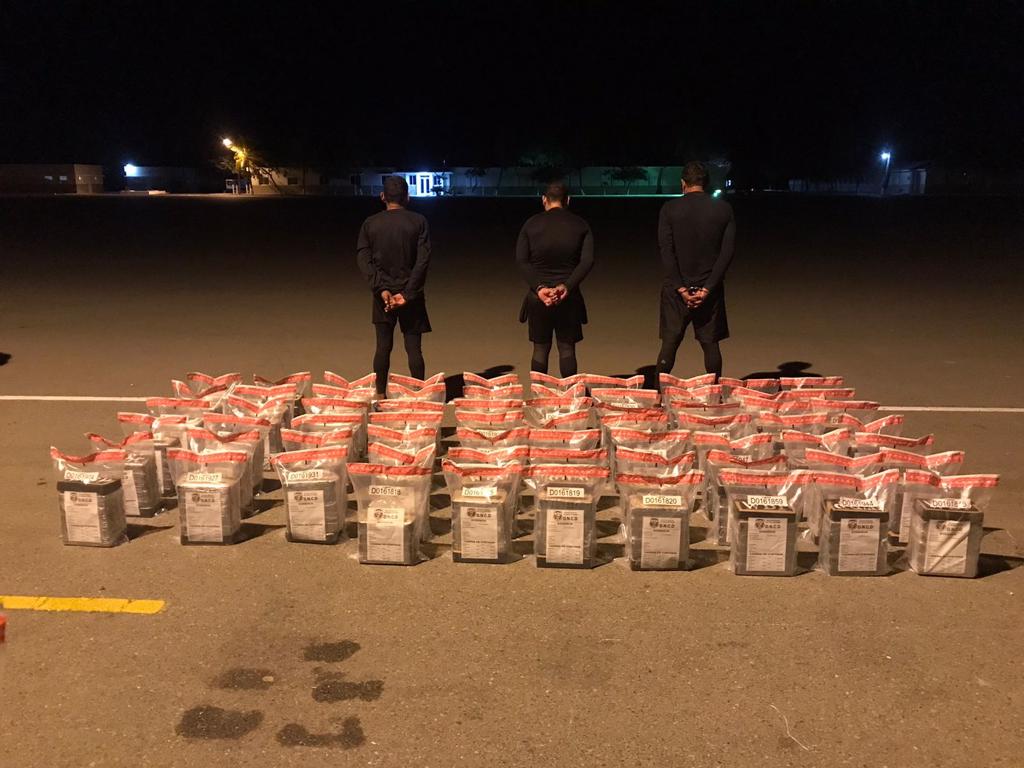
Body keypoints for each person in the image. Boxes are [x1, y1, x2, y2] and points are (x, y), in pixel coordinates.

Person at [655, 161, 735, 382]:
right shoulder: (723, 209)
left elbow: (666, 251)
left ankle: (658, 392)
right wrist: (708, 288)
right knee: (710, 344)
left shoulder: (669, 209)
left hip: (676, 290)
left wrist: (681, 288)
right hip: (709, 289)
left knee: (670, 343)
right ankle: (713, 391)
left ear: (683, 183)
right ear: (706, 183)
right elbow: (727, 253)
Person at [356, 176, 432, 394]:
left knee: (383, 347)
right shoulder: (419, 221)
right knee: (414, 348)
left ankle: (381, 394)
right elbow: (423, 260)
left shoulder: (370, 223)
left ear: (383, 197)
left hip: (383, 297)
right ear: (407, 197)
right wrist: (407, 294)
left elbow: (363, 258)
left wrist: (381, 289)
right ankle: (418, 395)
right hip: (411, 296)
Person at [515, 180, 595, 377]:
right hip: (569, 297)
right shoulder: (581, 225)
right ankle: (569, 393)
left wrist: (540, 288)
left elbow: (522, 261)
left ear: (544, 200)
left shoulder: (531, 224)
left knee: (540, 348)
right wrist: (566, 287)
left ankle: (538, 392)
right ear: (568, 200)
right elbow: (587, 261)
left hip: (538, 299)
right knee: (567, 348)